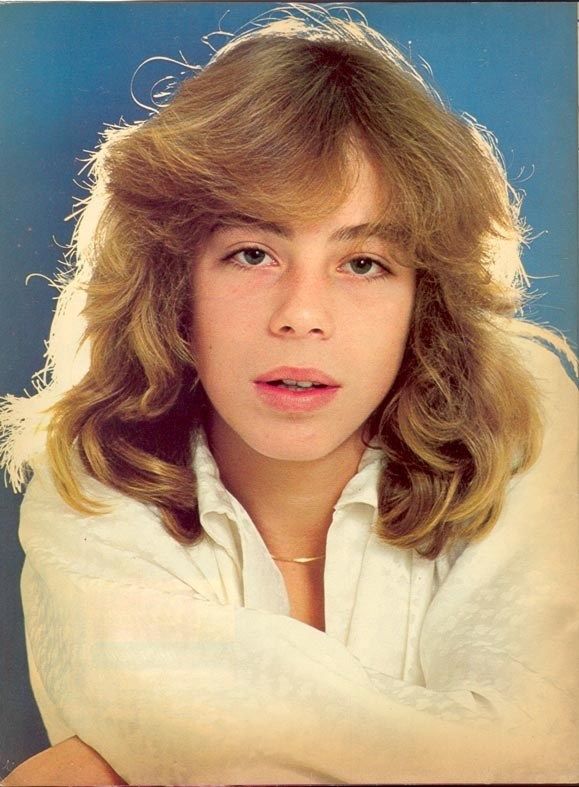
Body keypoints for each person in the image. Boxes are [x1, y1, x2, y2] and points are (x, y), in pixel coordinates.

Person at [1, 5, 577, 784]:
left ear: (425, 297)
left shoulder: (526, 415)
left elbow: (541, 747)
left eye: (364, 262)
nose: (301, 315)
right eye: (250, 252)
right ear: (174, 283)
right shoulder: (92, 472)